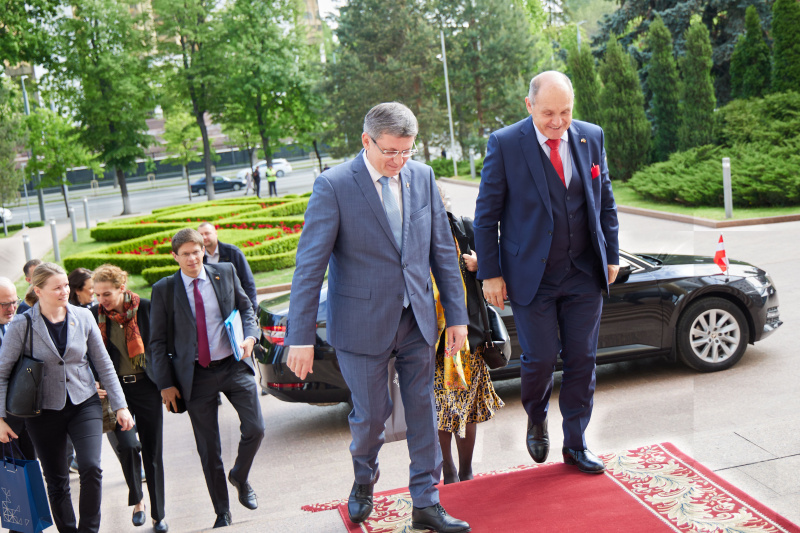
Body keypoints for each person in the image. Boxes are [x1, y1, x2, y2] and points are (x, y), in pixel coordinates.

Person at [286, 102, 471, 533]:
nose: (399, 161)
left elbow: (442, 250)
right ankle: (364, 479)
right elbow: (309, 266)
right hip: (360, 324)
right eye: (390, 152)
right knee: (372, 417)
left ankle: (426, 501)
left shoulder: (421, 176)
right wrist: (300, 337)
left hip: (418, 319)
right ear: (366, 141)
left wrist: (457, 315)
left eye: (406, 151)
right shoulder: (333, 186)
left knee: (424, 409)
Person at [473, 71, 620, 474]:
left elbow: (605, 200)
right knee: (538, 360)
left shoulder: (592, 136)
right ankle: (536, 416)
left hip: (584, 272)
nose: (558, 122)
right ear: (529, 106)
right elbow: (486, 217)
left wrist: (612, 254)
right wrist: (491, 273)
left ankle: (575, 443)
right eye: (548, 113)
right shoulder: (505, 144)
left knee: (582, 360)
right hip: (530, 276)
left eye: (566, 112)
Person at [0, 262, 135, 533]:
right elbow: (2, 373)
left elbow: (104, 363)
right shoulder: (22, 325)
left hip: (84, 402)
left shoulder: (82, 317)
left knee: (91, 467)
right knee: (57, 480)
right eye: (56, 287)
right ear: (38, 290)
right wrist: (1, 418)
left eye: (66, 286)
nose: (64, 291)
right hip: (42, 411)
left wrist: (121, 405)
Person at [149, 228, 264, 529]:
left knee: (256, 428)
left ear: (204, 249)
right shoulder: (164, 289)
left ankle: (239, 475)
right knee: (208, 447)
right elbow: (157, 342)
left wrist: (251, 337)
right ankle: (222, 511)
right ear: (174, 256)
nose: (191, 258)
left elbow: (246, 308)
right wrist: (165, 384)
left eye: (195, 251)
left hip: (233, 365)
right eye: (184, 253)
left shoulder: (224, 271)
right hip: (195, 376)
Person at [91, 265, 168, 533]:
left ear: (122, 288)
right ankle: (137, 500)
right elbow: (87, 354)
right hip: (114, 392)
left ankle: (159, 515)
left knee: (152, 451)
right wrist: (93, 381)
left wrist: (166, 382)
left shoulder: (145, 308)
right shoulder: (94, 316)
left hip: (146, 387)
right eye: (97, 294)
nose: (101, 300)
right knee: (127, 446)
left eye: (106, 294)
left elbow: (161, 345)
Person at [433, 212, 504, 485]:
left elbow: (498, 262)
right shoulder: (412, 233)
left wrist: (480, 265)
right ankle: (448, 470)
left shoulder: (464, 229)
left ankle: (465, 470)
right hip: (433, 339)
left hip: (468, 336)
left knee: (467, 407)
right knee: (440, 409)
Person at [198, 222, 258, 313]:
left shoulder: (233, 252)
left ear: (215, 233)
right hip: (215, 311)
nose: (204, 237)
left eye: (207, 233)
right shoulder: (199, 258)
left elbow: (248, 282)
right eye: (201, 235)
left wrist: (252, 310)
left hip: (237, 306)